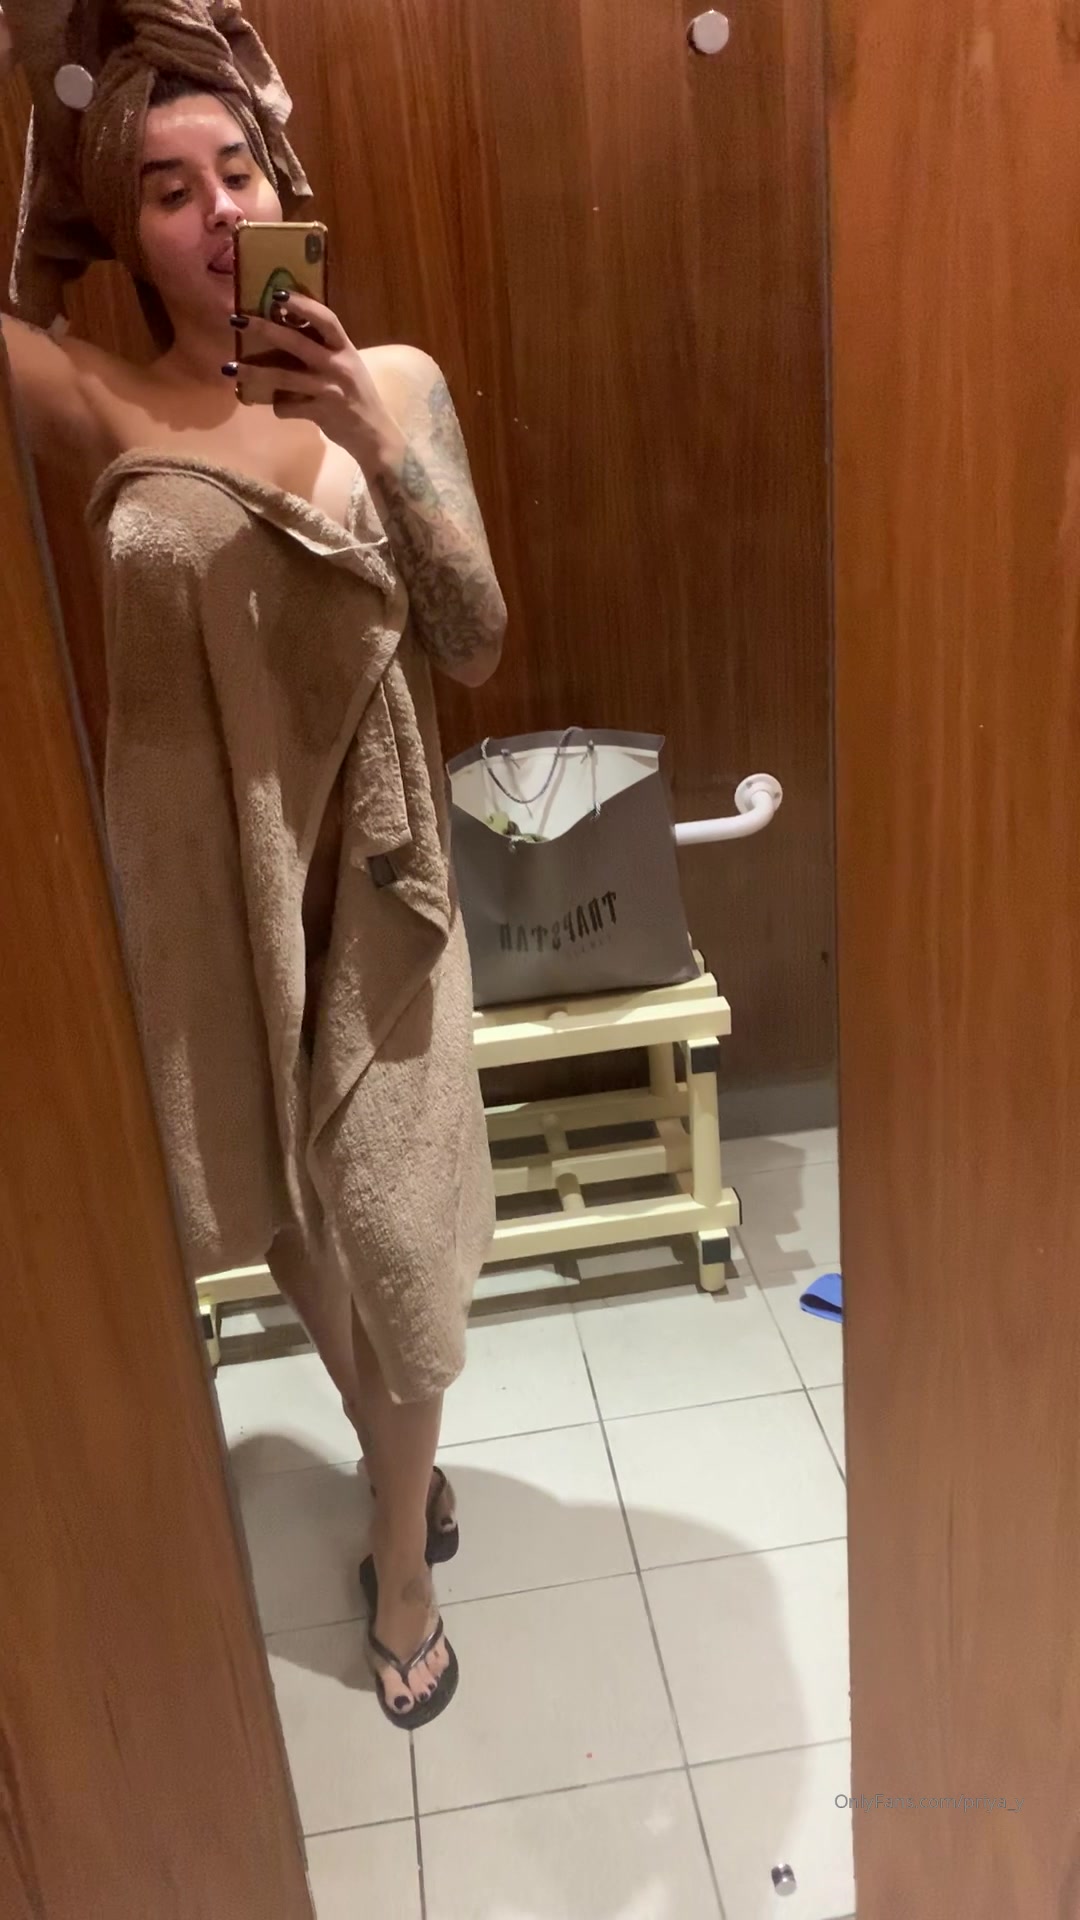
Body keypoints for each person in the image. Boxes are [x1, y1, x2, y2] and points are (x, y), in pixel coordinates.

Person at [0, 2, 505, 1731]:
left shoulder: (397, 383)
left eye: (238, 170)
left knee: (399, 1232)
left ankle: (402, 1553)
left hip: (379, 877)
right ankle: (385, 1444)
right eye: (164, 190)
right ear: (122, 230)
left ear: (286, 182)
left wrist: (371, 436)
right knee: (283, 1209)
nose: (217, 211)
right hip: (208, 878)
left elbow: (476, 638)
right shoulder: (101, 400)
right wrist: (63, 137)